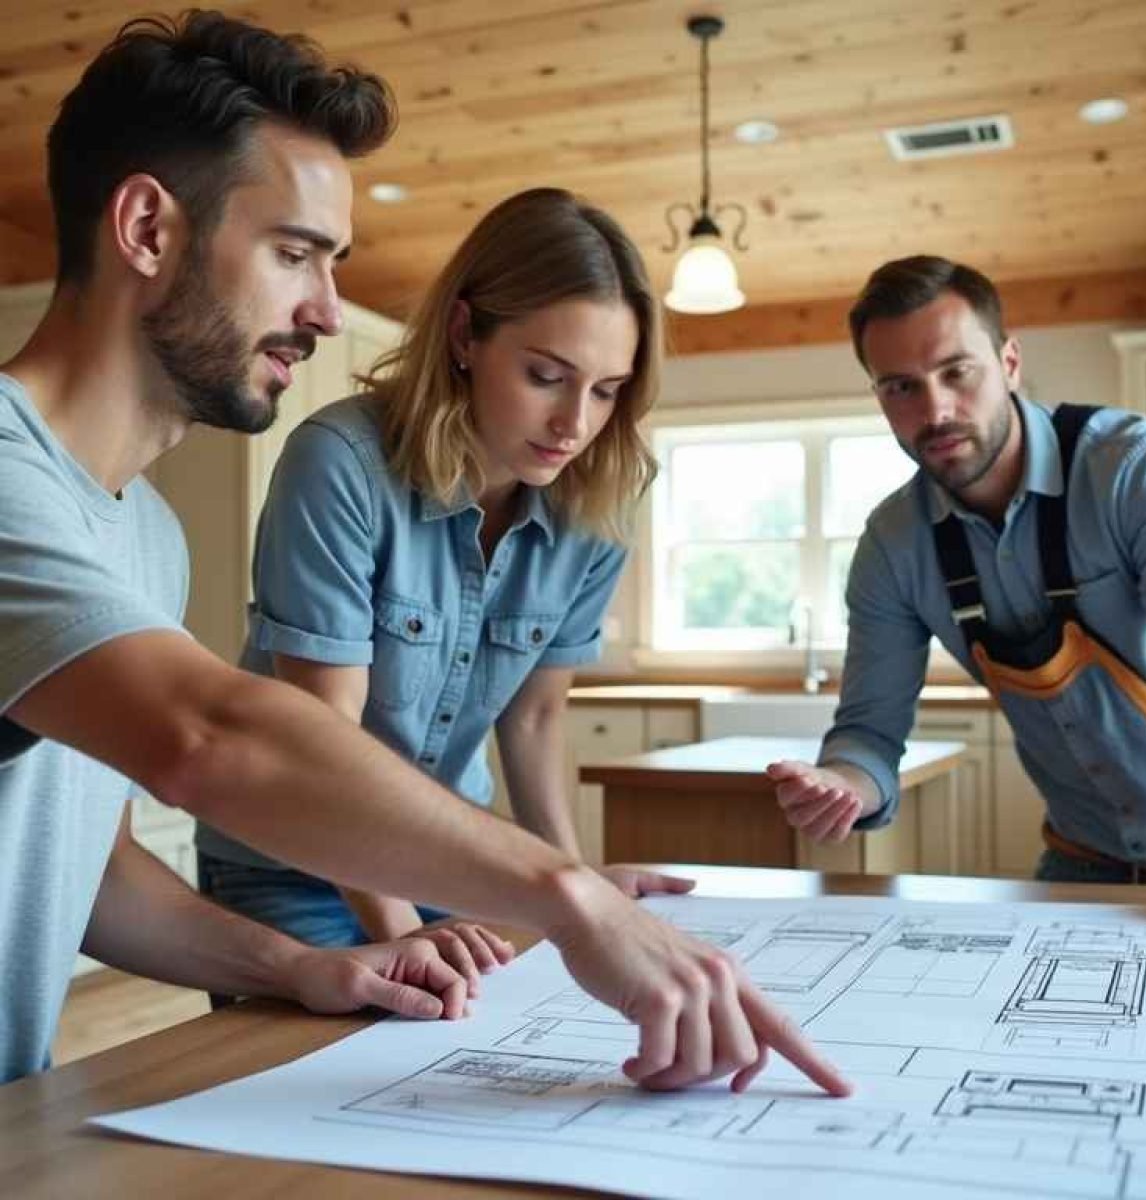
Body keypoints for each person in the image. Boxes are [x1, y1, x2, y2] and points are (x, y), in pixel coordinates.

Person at [0, 9, 850, 1102]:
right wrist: (572, 893)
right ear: (149, 229)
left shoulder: (144, 534)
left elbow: (98, 877)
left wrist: (307, 966)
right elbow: (211, 738)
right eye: (294, 253)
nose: (322, 308)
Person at [195, 188, 694, 966]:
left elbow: (531, 722)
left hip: (449, 858)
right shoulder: (342, 464)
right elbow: (323, 742)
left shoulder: (598, 506)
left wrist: (576, 894)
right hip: (291, 862)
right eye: (546, 375)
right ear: (465, 334)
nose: (576, 423)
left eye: (606, 391)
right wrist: (406, 940)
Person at [769, 255, 1146, 918]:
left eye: (956, 372)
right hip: (1081, 862)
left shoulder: (1140, 470)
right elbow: (870, 734)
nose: (935, 410)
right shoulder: (893, 546)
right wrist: (843, 784)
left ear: (1009, 363)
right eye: (900, 387)